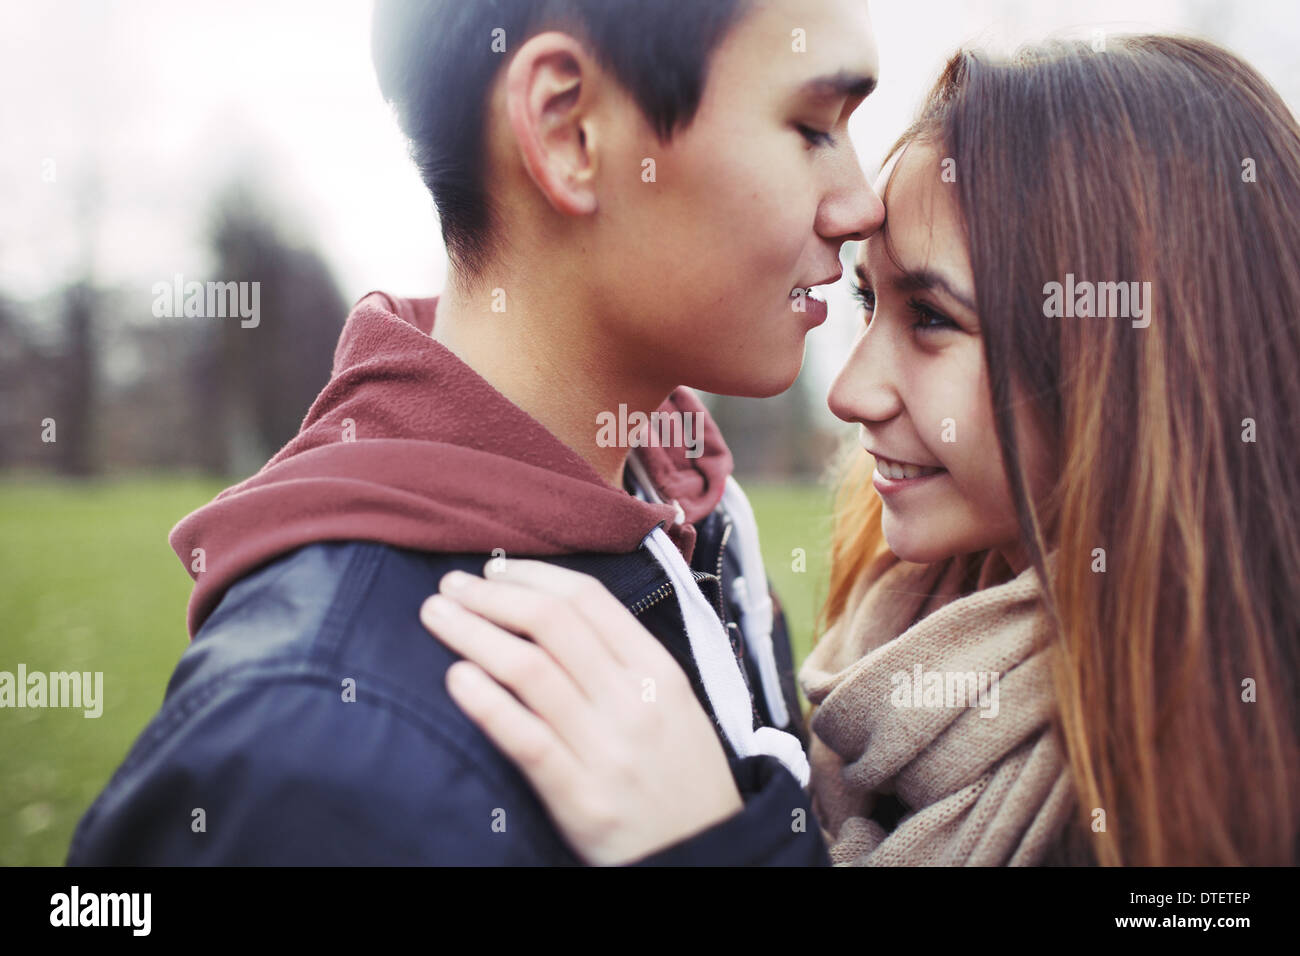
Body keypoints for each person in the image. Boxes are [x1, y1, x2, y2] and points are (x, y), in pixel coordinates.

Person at [424, 34, 1300, 866]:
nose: (848, 392)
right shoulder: (879, 645)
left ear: (1137, 363)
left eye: (930, 317)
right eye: (867, 305)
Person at [65, 0, 883, 865]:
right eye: (811, 126)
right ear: (568, 131)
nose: (861, 204)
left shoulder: (690, 507)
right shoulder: (303, 756)